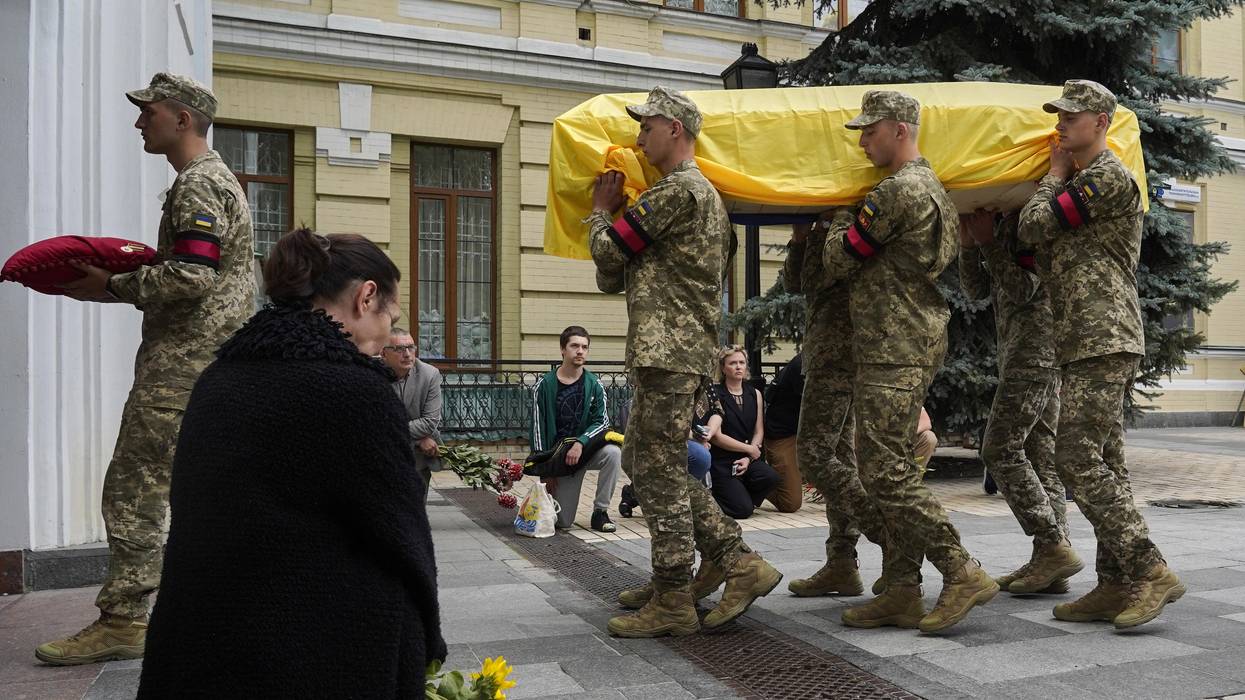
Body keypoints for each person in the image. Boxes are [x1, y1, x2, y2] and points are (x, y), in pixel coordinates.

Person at [137, 229, 446, 697]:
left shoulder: (217, 379)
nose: (389, 337)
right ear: (366, 297)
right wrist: (428, 638)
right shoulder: (356, 392)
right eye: (393, 316)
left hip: (197, 648)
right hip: (317, 654)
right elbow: (402, 536)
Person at [41, 73, 257, 665]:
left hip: (181, 368)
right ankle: (218, 607)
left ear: (182, 119)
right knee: (196, 490)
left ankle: (124, 619)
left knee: (134, 489)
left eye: (150, 113)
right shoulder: (219, 181)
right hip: (209, 363)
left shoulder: (198, 186)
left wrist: (110, 284)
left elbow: (192, 276)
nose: (140, 123)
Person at [588, 86, 782, 638]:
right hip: (674, 353)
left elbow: (608, 254)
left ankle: (677, 591)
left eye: (645, 127)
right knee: (654, 464)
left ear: (675, 128)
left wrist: (601, 214)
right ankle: (727, 560)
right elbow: (617, 273)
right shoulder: (698, 199)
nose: (638, 138)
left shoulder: (676, 194)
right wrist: (616, 231)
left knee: (657, 468)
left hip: (667, 353)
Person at [823, 90, 995, 633]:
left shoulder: (897, 191)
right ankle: (901, 590)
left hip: (891, 344)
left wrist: (837, 216)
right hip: (909, 339)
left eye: (869, 131)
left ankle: (959, 567)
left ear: (899, 129)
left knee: (884, 469)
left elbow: (839, 258)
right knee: (891, 462)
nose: (861, 140)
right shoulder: (937, 190)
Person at [1018, 79, 1183, 628]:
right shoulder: (1088, 181)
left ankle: (1149, 567)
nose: (1061, 125)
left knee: (1075, 457)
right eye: (1059, 116)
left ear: (1101, 124)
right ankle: (1115, 584)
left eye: (1072, 116)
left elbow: (1035, 223)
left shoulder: (1106, 178)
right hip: (1084, 337)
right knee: (1105, 460)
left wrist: (1053, 176)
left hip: (1103, 335)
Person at [960, 210, 1078, 594]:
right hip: (1021, 355)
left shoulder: (1032, 223)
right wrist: (969, 244)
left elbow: (1024, 287)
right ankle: (1053, 561)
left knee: (999, 449)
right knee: (1041, 457)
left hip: (1036, 353)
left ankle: (1052, 544)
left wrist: (989, 244)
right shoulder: (1000, 223)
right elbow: (975, 290)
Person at [783, 211, 892, 599]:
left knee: (813, 455)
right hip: (829, 355)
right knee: (840, 461)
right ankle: (842, 562)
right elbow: (796, 283)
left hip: (838, 357)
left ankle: (891, 537)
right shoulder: (828, 230)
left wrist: (819, 236)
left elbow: (817, 277)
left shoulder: (852, 227)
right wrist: (800, 240)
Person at [529, 325, 622, 533]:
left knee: (614, 453)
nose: (580, 351)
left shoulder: (595, 384)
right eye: (574, 346)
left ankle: (600, 512)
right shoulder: (544, 386)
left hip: (586, 451)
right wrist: (546, 472)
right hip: (560, 459)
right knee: (563, 522)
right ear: (563, 349)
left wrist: (581, 442)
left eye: (584, 347)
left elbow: (601, 422)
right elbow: (537, 432)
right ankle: (559, 498)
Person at [704, 346, 782, 519]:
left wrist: (748, 457)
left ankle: (740, 496)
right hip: (722, 460)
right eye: (733, 363)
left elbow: (758, 430)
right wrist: (749, 450)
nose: (738, 366)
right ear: (723, 368)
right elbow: (716, 437)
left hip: (747, 459)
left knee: (771, 477)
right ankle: (719, 498)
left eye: (742, 362)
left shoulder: (754, 393)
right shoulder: (715, 394)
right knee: (742, 511)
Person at [382, 326, 443, 492]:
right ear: (384, 353)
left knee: (415, 515)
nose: (407, 354)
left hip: (417, 461)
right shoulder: (372, 374)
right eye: (400, 349)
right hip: (382, 459)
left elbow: (430, 422)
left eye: (410, 347)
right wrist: (419, 438)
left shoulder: (429, 375)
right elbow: (374, 424)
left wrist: (413, 438)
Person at [760, 354, 806, 513]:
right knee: (790, 503)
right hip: (783, 434)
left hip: (807, 433)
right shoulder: (802, 365)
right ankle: (750, 482)